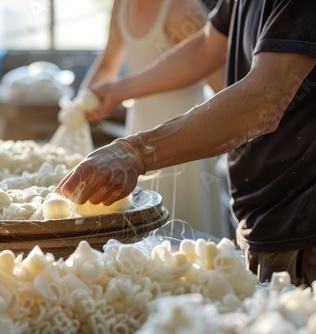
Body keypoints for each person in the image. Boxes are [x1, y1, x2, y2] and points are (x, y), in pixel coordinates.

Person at [57, 0, 316, 286]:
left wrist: (134, 153)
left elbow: (264, 99)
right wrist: (118, 90)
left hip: (299, 217)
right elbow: (205, 48)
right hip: (258, 209)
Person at [79, 0, 225, 234]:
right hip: (138, 129)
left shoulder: (183, 9)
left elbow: (222, 83)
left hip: (183, 136)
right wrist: (81, 103)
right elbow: (108, 63)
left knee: (188, 227)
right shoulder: (122, 5)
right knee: (143, 230)